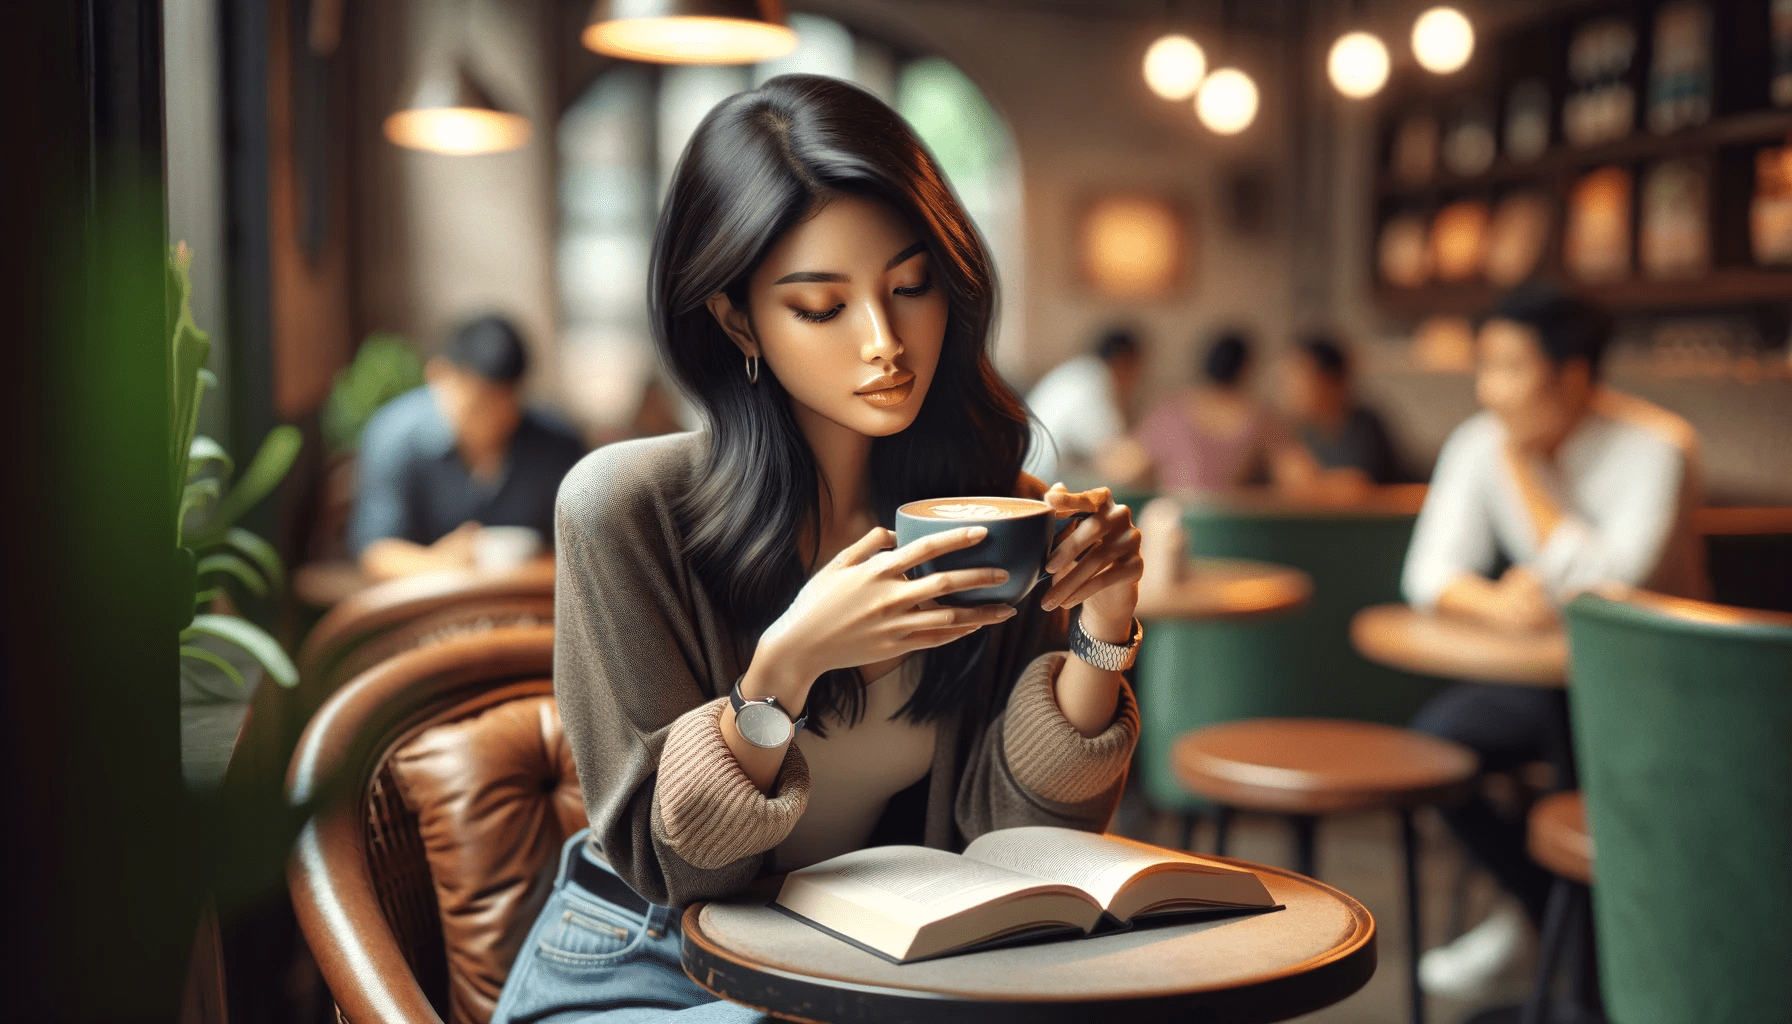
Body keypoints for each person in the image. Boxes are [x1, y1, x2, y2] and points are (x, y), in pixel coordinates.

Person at [492, 76, 1143, 1023]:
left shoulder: (999, 513)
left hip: (867, 968)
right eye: (821, 306)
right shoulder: (624, 508)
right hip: (647, 966)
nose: (886, 342)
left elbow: (1017, 841)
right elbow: (670, 866)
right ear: (736, 317)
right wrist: (785, 669)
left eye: (910, 288)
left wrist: (1104, 623)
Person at [1404, 284, 1706, 996]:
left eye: (1510, 367)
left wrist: (1523, 475)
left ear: (1572, 375)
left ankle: (1590, 977)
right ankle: (1549, 916)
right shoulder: (1478, 440)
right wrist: (1496, 603)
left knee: (1580, 775)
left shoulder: (1658, 446)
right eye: (1485, 366)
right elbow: (1428, 573)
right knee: (1437, 748)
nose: (1490, 390)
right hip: (1548, 681)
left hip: (1659, 686)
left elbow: (1608, 590)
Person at [350, 315, 585, 581]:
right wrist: (439, 564)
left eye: (504, 407)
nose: (491, 423)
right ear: (438, 374)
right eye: (477, 407)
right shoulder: (394, 436)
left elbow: (581, 545)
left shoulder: (556, 444)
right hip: (428, 604)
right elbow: (376, 552)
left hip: (528, 597)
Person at [1102, 331, 1306, 495]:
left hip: (1181, 526)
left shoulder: (1172, 411)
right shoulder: (1260, 417)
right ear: (1246, 369)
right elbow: (1299, 478)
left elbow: (1125, 469)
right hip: (1233, 529)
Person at [1277, 334, 1404, 486]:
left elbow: (1359, 483)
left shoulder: (1365, 426)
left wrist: (1313, 480)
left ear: (1332, 381)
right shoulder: (1303, 432)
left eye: (1299, 376)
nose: (1290, 388)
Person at [1022, 328, 1142, 482]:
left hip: (1035, 473)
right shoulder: (1094, 383)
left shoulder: (1081, 373)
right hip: (1039, 483)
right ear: (1124, 361)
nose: (1137, 379)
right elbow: (1115, 457)